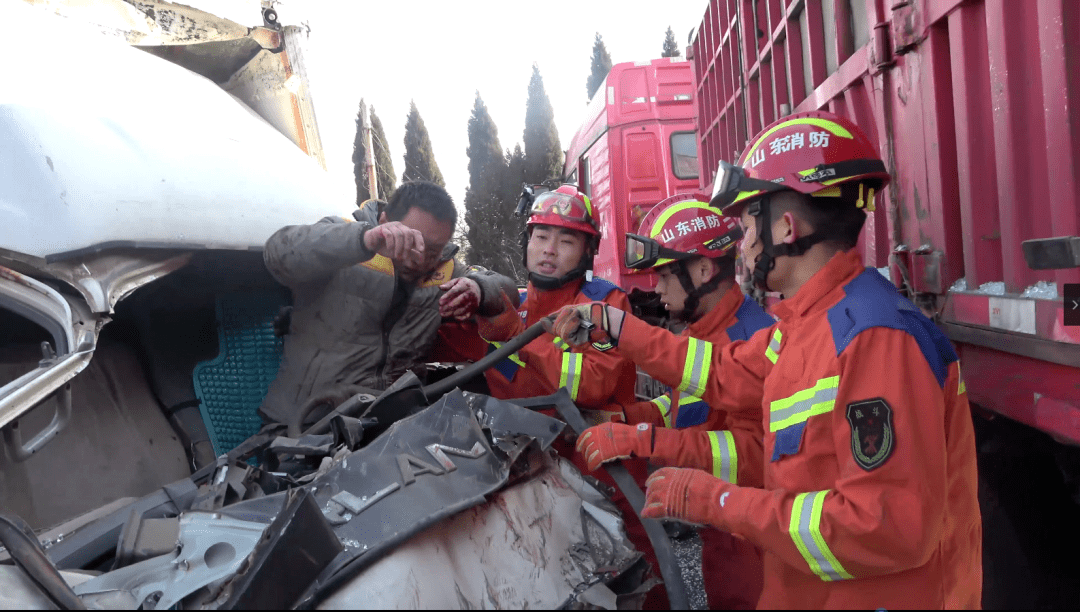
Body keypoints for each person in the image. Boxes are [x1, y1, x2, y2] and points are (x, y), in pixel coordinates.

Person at [547, 111, 982, 609]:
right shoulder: (804, 325)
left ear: (787, 227)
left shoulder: (876, 336)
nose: (743, 242)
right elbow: (723, 372)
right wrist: (617, 328)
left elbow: (886, 528)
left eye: (749, 221)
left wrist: (719, 501)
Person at [577, 193, 775, 609]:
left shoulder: (749, 341)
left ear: (703, 270)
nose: (657, 287)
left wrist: (644, 442)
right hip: (727, 538)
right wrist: (628, 418)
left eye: (665, 274)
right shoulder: (704, 332)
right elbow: (685, 409)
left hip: (757, 550)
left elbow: (750, 457)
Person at [259, 180, 518, 429]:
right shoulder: (341, 240)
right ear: (384, 220)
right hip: (305, 424)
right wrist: (365, 240)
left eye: (433, 250)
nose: (421, 259)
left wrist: (479, 288)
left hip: (389, 426)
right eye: (412, 241)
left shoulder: (447, 271)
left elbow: (508, 293)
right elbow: (278, 252)